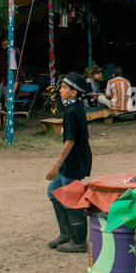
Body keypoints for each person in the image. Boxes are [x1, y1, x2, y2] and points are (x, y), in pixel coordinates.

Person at [46, 72, 92, 252]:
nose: (61, 90)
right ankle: (66, 233)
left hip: (73, 161)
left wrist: (56, 164)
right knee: (53, 191)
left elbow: (70, 141)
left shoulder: (73, 112)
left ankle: (79, 241)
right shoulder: (75, 108)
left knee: (70, 199)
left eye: (65, 88)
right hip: (71, 161)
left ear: (74, 92)